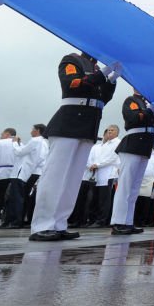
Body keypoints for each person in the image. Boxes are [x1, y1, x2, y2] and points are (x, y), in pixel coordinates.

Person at [29, 53, 120, 241]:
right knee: (55, 176)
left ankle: (59, 224)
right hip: (69, 121)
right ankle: (42, 225)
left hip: (88, 124)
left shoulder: (96, 69)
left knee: (72, 180)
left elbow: (102, 97)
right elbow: (72, 83)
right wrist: (102, 75)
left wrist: (111, 81)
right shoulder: (72, 60)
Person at [111, 91, 154, 235]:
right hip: (133, 144)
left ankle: (127, 221)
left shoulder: (147, 105)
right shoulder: (131, 100)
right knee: (125, 186)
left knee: (134, 188)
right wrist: (149, 111)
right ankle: (118, 222)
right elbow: (134, 118)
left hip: (144, 146)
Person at [5, 125, 47, 229]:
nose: (30, 131)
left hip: (26, 172)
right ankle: (21, 220)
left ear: (37, 131)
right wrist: (20, 144)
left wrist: (14, 143)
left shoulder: (34, 140)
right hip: (37, 172)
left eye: (32, 129)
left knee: (18, 197)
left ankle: (16, 221)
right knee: (25, 197)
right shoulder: (44, 143)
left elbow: (19, 152)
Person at [85, 126, 121, 227]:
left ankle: (101, 221)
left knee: (104, 199)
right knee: (95, 198)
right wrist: (94, 164)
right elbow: (98, 158)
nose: (109, 132)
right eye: (108, 130)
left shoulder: (118, 142)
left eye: (112, 130)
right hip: (98, 174)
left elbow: (113, 158)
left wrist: (98, 164)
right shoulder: (105, 145)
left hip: (108, 174)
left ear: (117, 133)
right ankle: (93, 219)